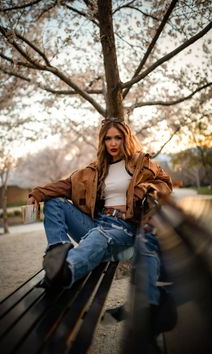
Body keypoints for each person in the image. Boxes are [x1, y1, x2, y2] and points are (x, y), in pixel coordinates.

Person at [27, 118, 175, 335]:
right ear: (102, 142)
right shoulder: (95, 169)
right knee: (55, 202)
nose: (113, 143)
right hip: (98, 223)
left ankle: (64, 272)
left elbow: (165, 184)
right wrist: (37, 194)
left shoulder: (141, 163)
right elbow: (66, 186)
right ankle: (57, 251)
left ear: (126, 139)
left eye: (118, 137)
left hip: (124, 228)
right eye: (108, 138)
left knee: (100, 234)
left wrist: (145, 188)